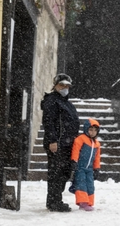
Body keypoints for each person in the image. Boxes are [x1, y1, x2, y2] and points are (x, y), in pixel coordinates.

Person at [40, 73, 80, 212]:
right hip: (57, 144)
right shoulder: (52, 100)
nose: (64, 87)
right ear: (55, 86)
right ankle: (54, 202)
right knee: (56, 173)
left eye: (67, 85)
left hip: (68, 144)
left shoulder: (67, 103)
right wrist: (52, 140)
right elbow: (48, 122)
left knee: (64, 172)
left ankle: (56, 199)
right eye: (61, 85)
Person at [69, 119, 102, 211]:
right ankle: (82, 202)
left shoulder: (97, 144)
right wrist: (74, 161)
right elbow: (76, 150)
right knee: (81, 184)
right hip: (80, 167)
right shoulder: (81, 139)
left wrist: (97, 168)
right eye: (90, 130)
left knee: (90, 185)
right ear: (86, 129)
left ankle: (89, 202)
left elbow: (97, 157)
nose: (93, 132)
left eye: (95, 130)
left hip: (90, 169)